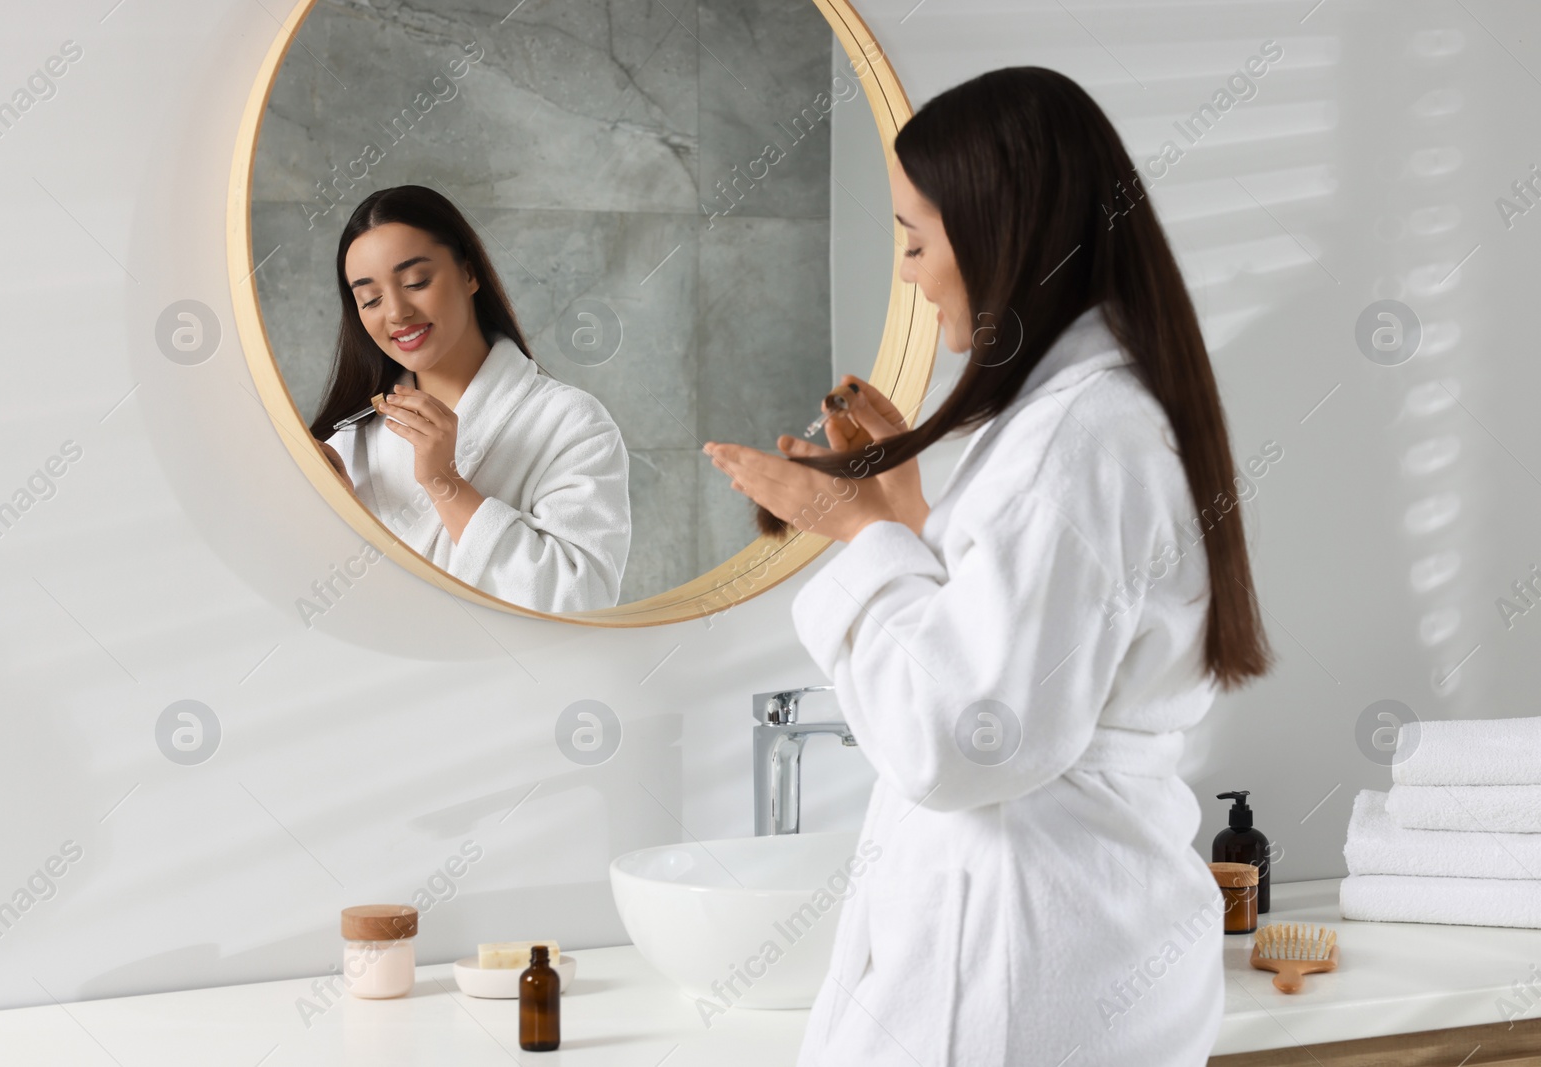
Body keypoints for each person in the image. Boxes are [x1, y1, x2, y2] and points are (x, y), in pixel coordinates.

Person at [704, 67, 1273, 1066]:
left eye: (916, 239)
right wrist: (912, 515)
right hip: (1078, 948)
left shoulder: (1079, 437)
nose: (912, 275)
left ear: (1000, 232)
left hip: (1029, 969)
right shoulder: (1088, 420)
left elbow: (970, 733)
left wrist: (856, 532)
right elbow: (1032, 640)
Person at [311, 185, 630, 613]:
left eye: (416, 281)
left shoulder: (571, 423)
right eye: (371, 299)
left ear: (469, 273)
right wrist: (327, 512)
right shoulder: (348, 443)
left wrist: (445, 482)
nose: (396, 312)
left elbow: (580, 600)